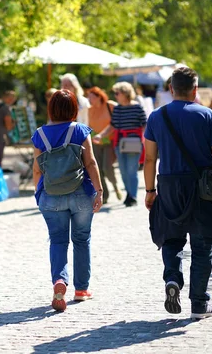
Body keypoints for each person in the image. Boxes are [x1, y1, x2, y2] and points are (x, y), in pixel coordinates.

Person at [143, 66, 212, 320]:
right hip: (202, 187)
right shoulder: (206, 115)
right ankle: (199, 304)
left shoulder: (157, 117)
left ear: (171, 89)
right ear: (195, 90)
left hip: (168, 185)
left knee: (171, 239)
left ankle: (173, 279)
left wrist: (149, 190)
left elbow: (149, 159)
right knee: (202, 245)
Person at [32, 90, 103, 312]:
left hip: (51, 196)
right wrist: (99, 190)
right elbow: (90, 163)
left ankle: (59, 281)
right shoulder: (80, 130)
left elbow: (37, 169)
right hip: (81, 193)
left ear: (51, 109)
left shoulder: (40, 135)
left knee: (58, 240)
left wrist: (38, 194)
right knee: (82, 239)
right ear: (74, 108)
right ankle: (81, 290)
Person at [94, 82, 147, 207]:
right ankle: (129, 193)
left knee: (132, 170)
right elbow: (113, 126)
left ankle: (132, 196)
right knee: (123, 171)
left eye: (118, 93)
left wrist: (144, 139)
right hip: (120, 144)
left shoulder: (137, 107)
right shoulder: (117, 108)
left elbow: (145, 124)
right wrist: (101, 135)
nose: (116, 95)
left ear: (125, 93)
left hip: (134, 143)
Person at [87, 87, 122, 203]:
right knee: (98, 170)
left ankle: (115, 185)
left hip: (110, 142)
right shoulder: (90, 110)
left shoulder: (110, 105)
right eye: (89, 97)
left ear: (99, 97)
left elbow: (119, 119)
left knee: (107, 167)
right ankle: (105, 195)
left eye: (92, 97)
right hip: (95, 143)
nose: (90, 99)